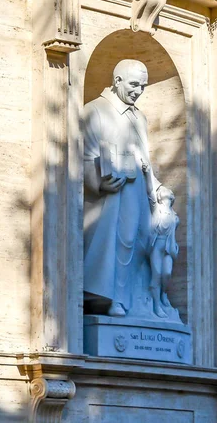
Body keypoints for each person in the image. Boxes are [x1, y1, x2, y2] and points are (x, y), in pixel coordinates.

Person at [83, 59, 161, 317]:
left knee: (141, 240)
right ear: (117, 81)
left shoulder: (140, 117)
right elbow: (83, 157)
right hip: (113, 192)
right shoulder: (94, 110)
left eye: (143, 86)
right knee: (121, 240)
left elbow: (145, 155)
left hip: (138, 188)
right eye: (134, 84)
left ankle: (133, 299)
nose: (138, 91)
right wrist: (98, 182)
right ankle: (113, 298)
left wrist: (154, 188)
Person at [141, 161, 179, 318]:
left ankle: (163, 295)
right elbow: (150, 190)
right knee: (156, 274)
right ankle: (156, 305)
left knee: (167, 274)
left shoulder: (175, 217)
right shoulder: (156, 209)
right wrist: (148, 173)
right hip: (157, 246)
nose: (163, 191)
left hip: (168, 248)